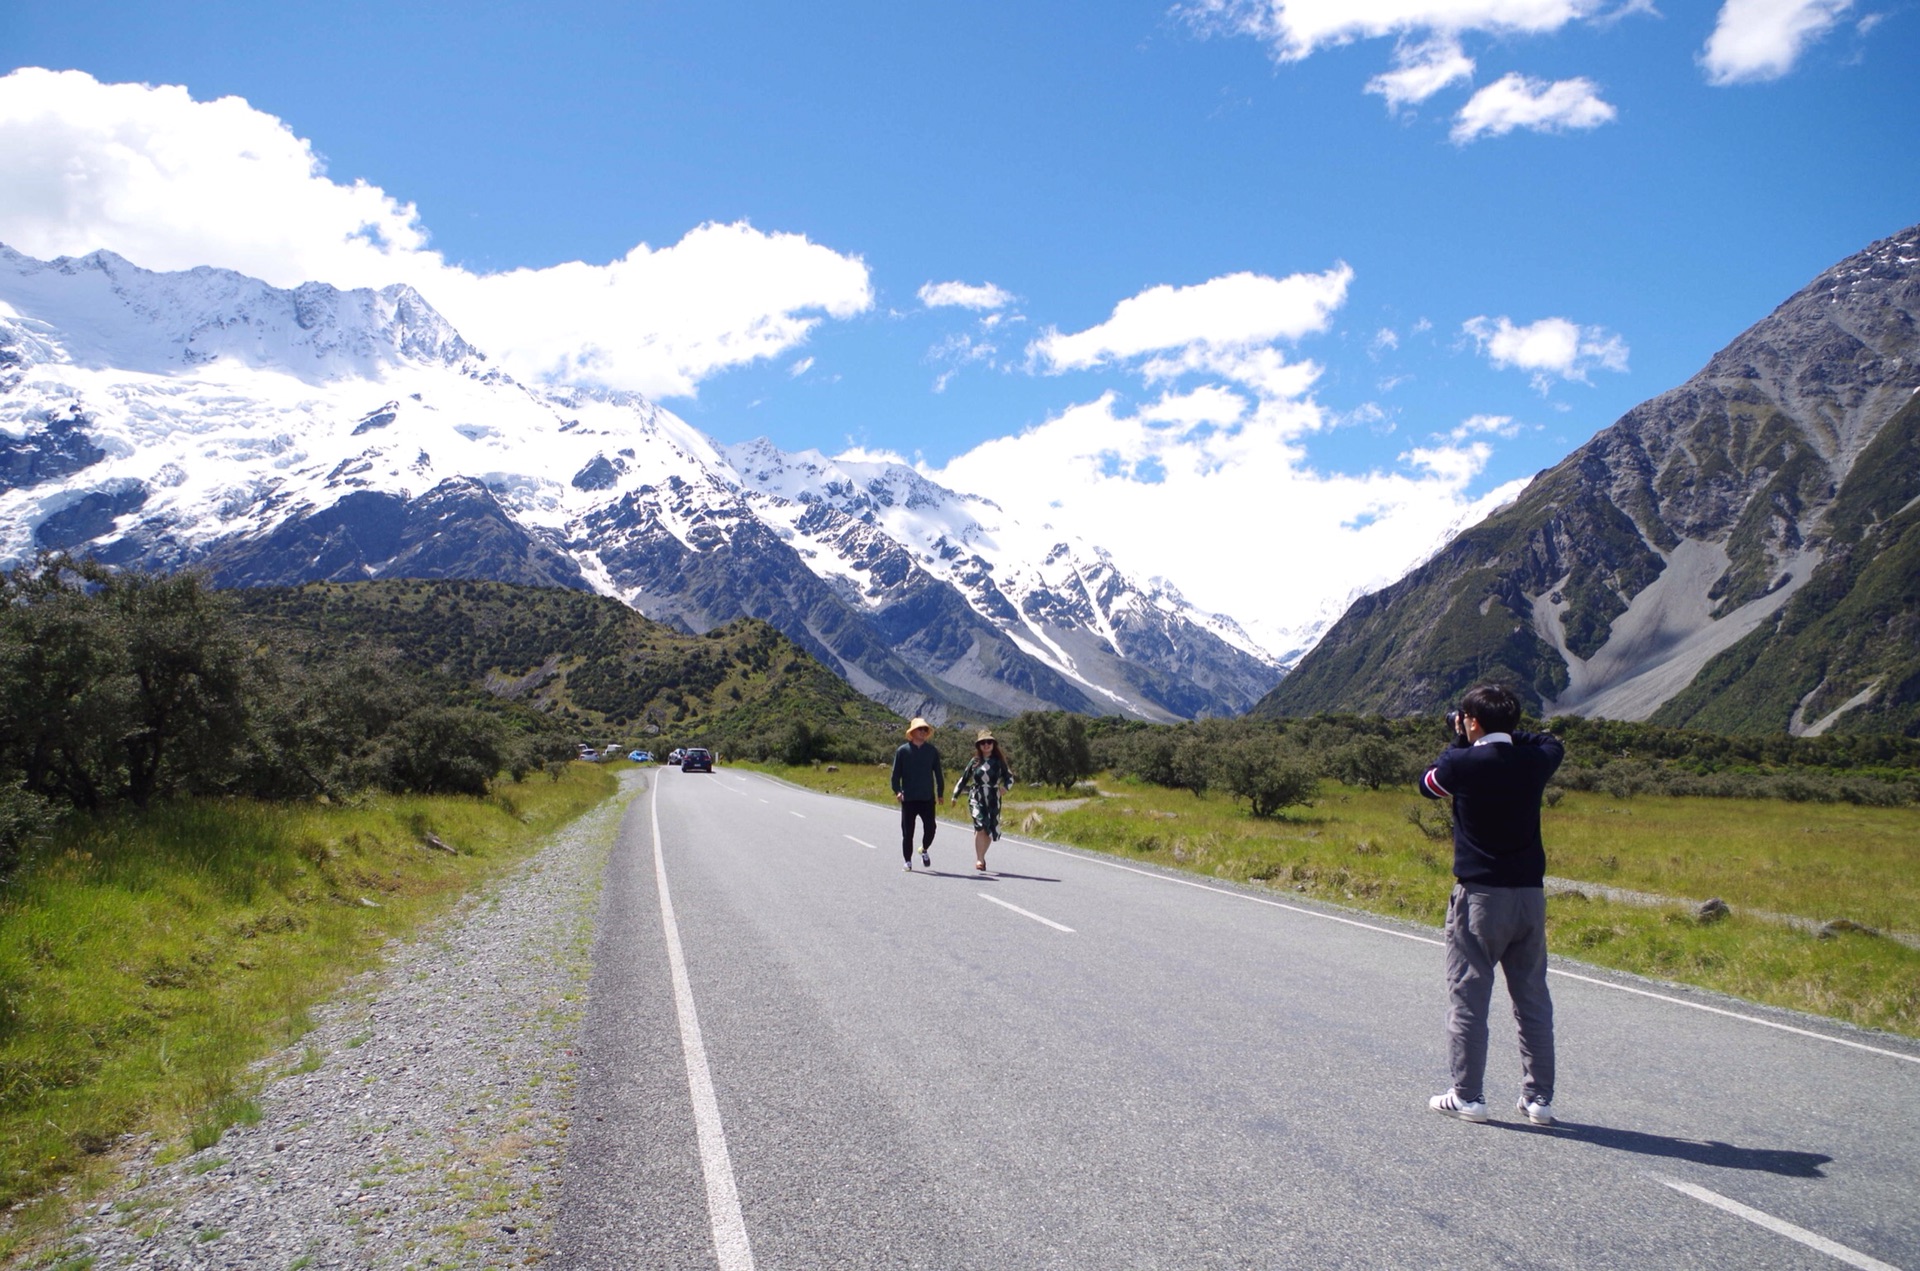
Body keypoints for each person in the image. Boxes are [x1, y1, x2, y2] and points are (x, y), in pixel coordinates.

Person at [1418, 683, 1564, 1126]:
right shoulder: (1535, 760)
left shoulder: (1462, 763)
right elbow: (1549, 741)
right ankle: (1538, 1098)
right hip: (1529, 897)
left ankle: (1468, 1095)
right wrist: (1500, 733)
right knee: (1532, 997)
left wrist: (1461, 741)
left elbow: (1428, 784)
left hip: (1480, 896)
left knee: (1469, 995)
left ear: (1473, 722)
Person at [950, 729, 1015, 872]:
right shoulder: (974, 762)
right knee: (979, 824)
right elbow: (964, 778)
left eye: (989, 742)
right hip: (976, 795)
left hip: (993, 797)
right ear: (978, 745)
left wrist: (1005, 788)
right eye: (983, 743)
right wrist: (955, 795)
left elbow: (1009, 777)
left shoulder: (999, 762)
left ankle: (982, 856)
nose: (986, 745)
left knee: (989, 828)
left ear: (993, 744)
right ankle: (979, 859)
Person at [890, 717, 945, 872]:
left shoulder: (932, 751)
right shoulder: (902, 751)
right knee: (908, 832)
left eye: (925, 730)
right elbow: (895, 775)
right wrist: (898, 791)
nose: (923, 732)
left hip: (927, 798)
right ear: (912, 732)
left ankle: (924, 849)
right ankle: (907, 861)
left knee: (931, 828)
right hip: (909, 799)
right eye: (920, 729)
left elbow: (938, 774)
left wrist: (940, 793)